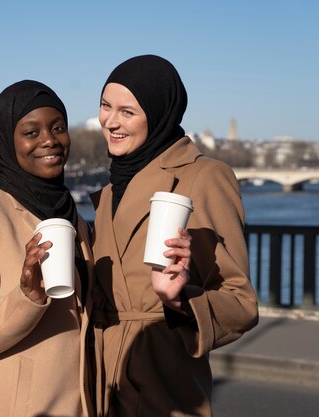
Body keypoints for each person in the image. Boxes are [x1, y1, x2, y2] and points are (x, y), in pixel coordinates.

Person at [89, 54, 259, 417]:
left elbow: (240, 303)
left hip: (162, 388)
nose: (111, 121)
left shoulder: (205, 177)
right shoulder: (108, 192)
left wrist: (181, 299)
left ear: (159, 112)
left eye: (127, 111)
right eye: (105, 106)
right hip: (100, 385)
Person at [0, 80, 95, 417]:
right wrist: (25, 299)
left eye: (58, 128)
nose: (49, 140)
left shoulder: (75, 219)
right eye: (31, 132)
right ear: (6, 142)